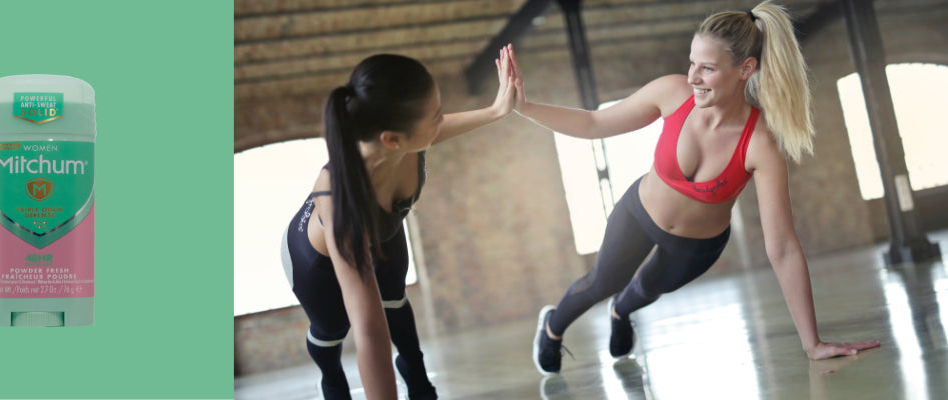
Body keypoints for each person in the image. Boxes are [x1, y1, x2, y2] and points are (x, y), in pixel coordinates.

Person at [509, 2, 881, 375]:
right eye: (692, 63)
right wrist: (523, 107)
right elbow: (592, 123)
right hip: (640, 213)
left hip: (697, 246)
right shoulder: (672, 94)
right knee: (601, 281)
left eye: (708, 68)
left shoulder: (760, 144)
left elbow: (782, 248)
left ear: (745, 70)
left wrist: (812, 343)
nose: (693, 77)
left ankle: (621, 311)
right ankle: (552, 327)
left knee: (648, 289)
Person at [281, 47, 517, 399]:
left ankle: (415, 374)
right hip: (316, 263)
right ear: (392, 139)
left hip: (384, 229)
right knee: (333, 330)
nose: (441, 120)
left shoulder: (403, 140)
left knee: (395, 301)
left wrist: (496, 110)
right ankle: (330, 379)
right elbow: (370, 334)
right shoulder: (341, 202)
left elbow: (431, 132)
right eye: (435, 115)